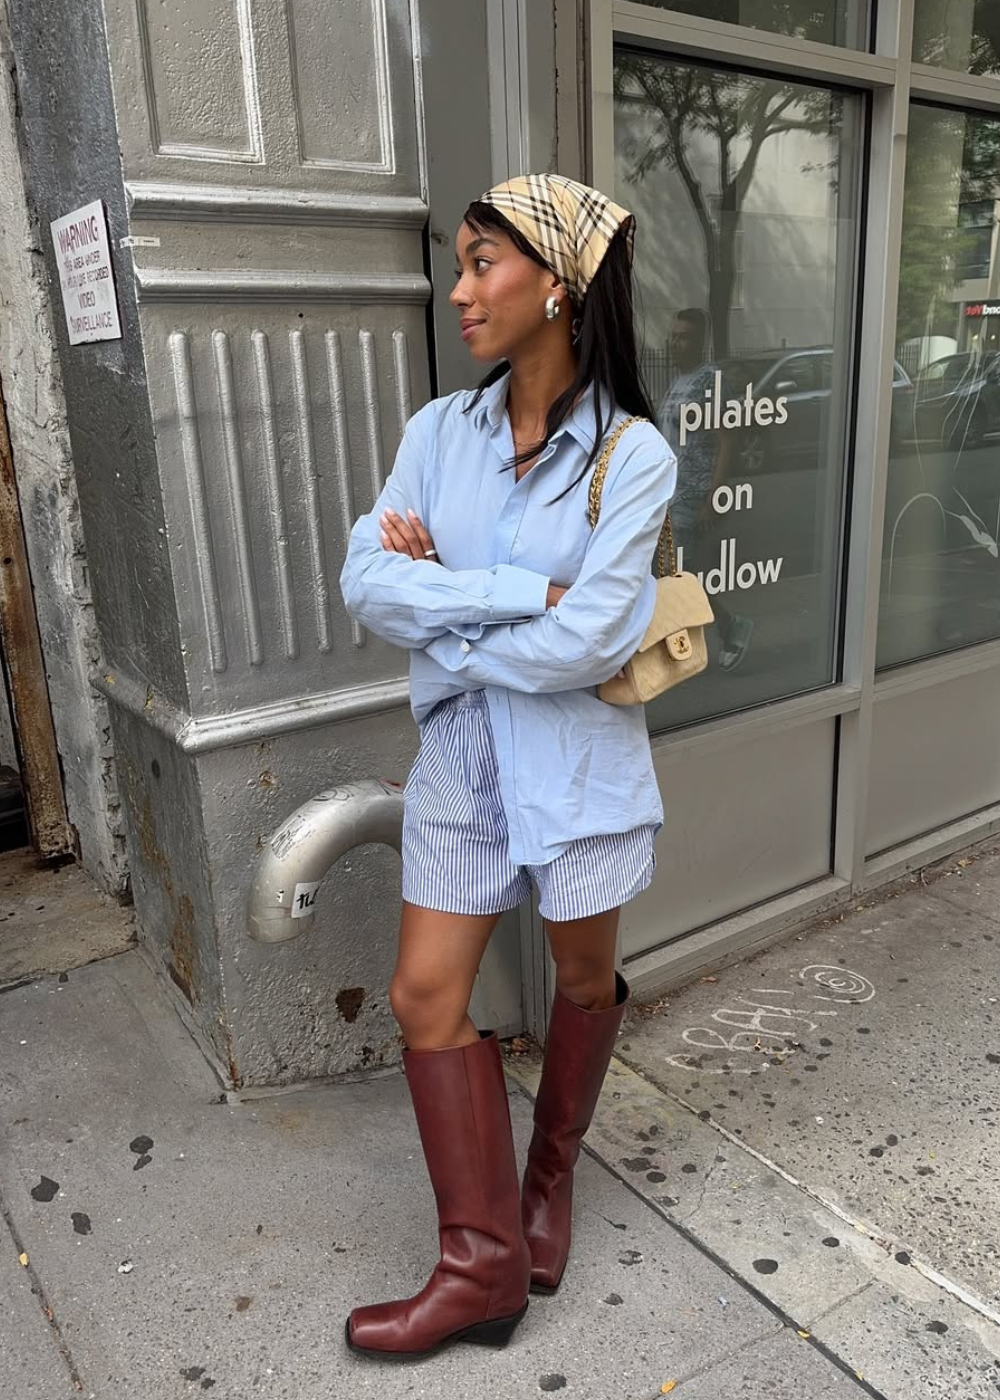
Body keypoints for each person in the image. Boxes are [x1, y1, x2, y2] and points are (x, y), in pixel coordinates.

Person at [339, 172, 676, 1361]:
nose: (460, 287)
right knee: (425, 996)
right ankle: (478, 1268)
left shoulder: (632, 456)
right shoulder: (438, 433)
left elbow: (595, 638)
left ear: (559, 285)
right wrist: (509, 592)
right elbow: (365, 580)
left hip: (579, 760)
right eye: (462, 261)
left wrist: (449, 612)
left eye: (485, 262)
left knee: (582, 982)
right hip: (463, 757)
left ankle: (550, 1183)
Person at [656, 308, 753, 671]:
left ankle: (721, 631)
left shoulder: (710, 380)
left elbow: (728, 440)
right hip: (667, 494)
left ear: (700, 343)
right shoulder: (678, 381)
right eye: (673, 336)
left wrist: (713, 497)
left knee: (679, 574)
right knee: (675, 573)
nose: (674, 343)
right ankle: (709, 633)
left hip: (692, 494)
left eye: (683, 337)